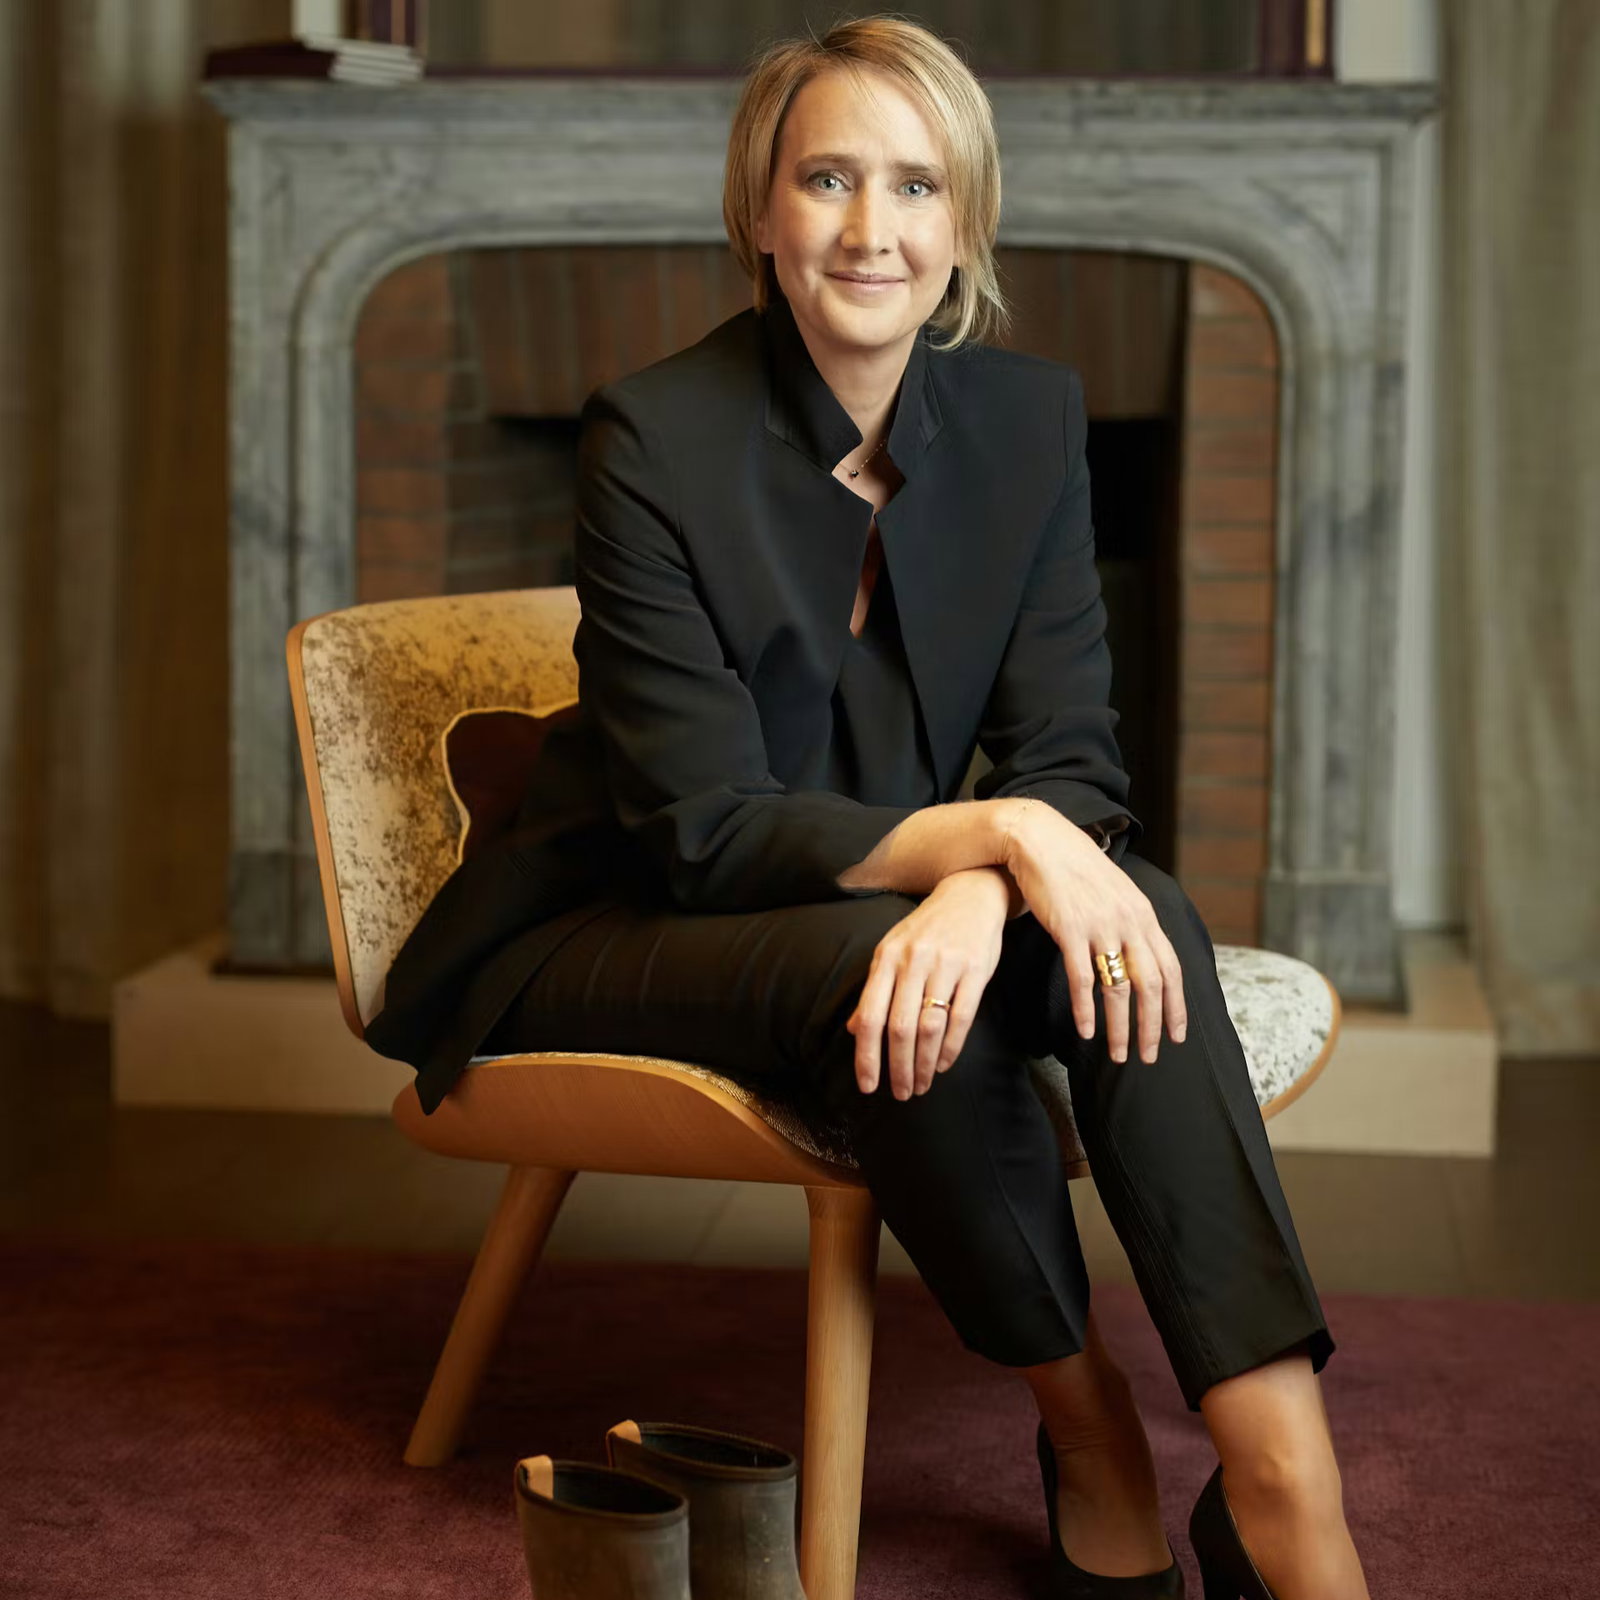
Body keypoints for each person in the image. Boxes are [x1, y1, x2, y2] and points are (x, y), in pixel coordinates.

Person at [364, 17, 1370, 1599]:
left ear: (964, 221)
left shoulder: (1027, 424)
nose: (870, 229)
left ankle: (1284, 1480)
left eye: (916, 185)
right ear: (760, 208)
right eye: (827, 178)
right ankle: (1086, 1420)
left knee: (1134, 917)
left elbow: (1069, 760)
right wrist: (998, 838)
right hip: (613, 917)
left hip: (868, 901)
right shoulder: (654, 435)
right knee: (898, 981)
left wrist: (986, 872)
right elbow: (702, 825)